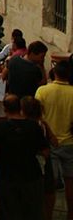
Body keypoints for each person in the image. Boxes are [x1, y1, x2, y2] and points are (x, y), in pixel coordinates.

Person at [0, 94, 47, 220]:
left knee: (8, 212)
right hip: (31, 175)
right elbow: (45, 151)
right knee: (31, 212)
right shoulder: (34, 127)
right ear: (20, 107)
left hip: (7, 176)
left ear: (4, 109)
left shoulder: (0, 127)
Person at [35, 59, 73, 218]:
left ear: (54, 73)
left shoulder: (42, 91)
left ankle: (47, 215)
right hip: (70, 142)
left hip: (48, 142)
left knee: (49, 185)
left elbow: (37, 115)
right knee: (70, 181)